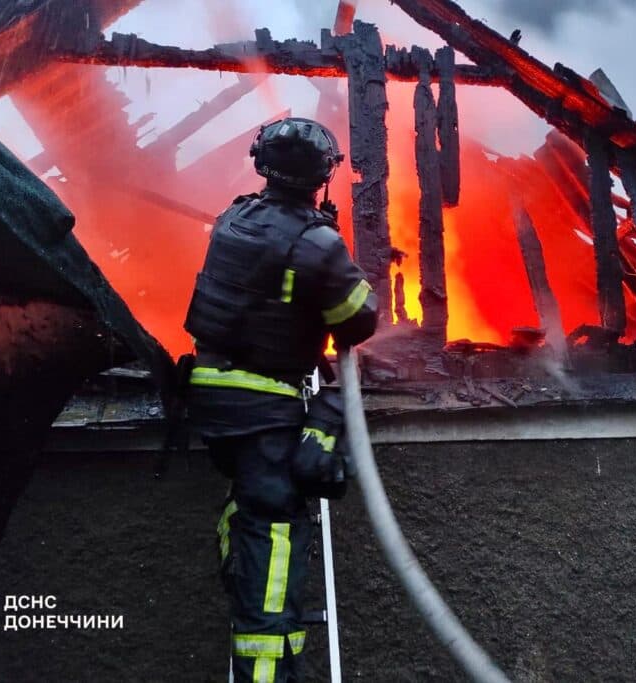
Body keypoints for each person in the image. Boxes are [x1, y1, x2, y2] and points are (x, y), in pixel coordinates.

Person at [183, 117, 377, 682]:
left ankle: (239, 558)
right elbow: (358, 318)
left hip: (213, 398)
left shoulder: (233, 217)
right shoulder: (315, 242)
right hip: (262, 408)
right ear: (323, 175)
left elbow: (261, 292)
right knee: (272, 539)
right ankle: (264, 659)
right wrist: (328, 248)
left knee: (250, 508)